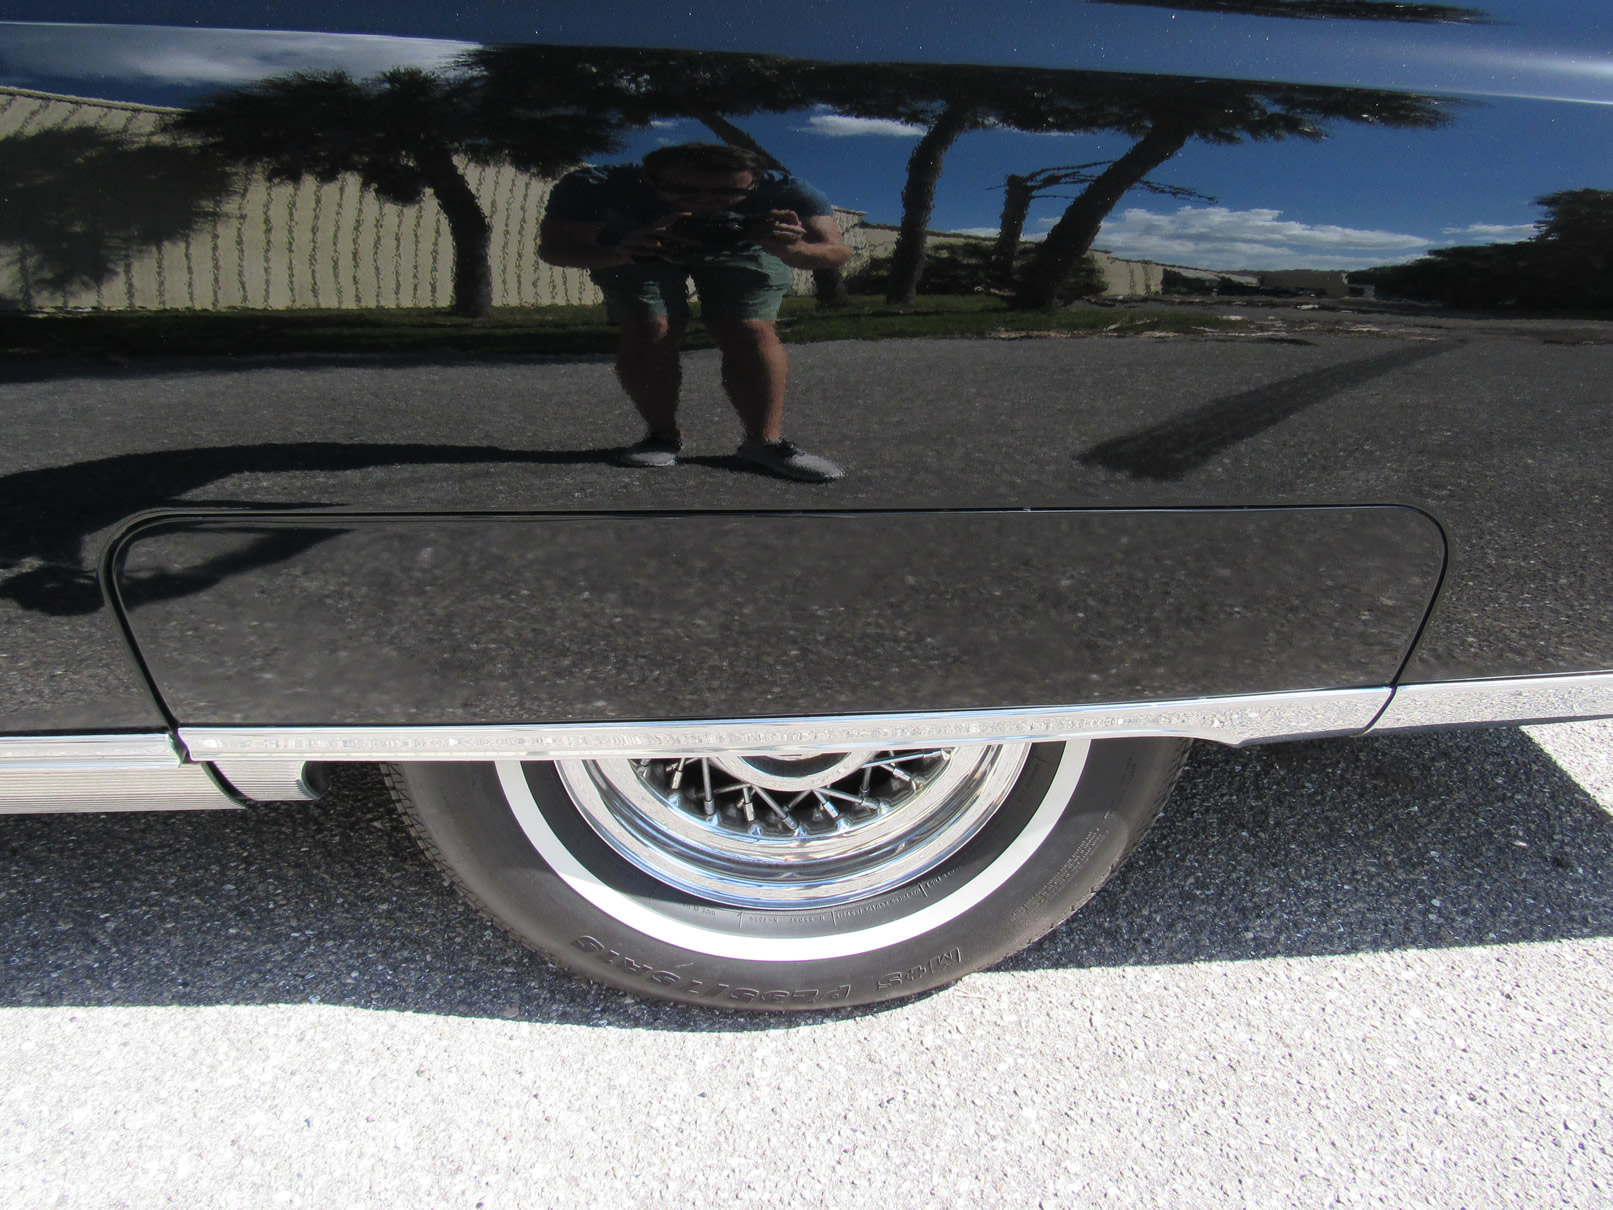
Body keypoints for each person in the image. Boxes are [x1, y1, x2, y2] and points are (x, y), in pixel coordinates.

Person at [538, 143, 853, 482]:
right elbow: (555, 249)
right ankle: (661, 435)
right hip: (635, 245)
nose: (703, 201)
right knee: (650, 326)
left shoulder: (787, 190)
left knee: (749, 328)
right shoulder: (595, 185)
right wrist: (621, 253)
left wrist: (795, 248)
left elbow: (836, 252)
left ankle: (764, 443)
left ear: (754, 182)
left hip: (746, 246)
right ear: (647, 177)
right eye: (683, 190)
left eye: (726, 193)